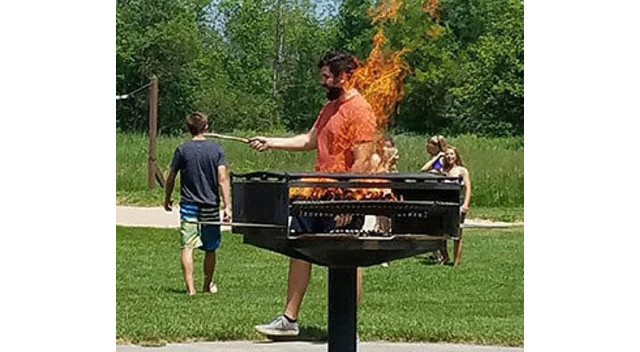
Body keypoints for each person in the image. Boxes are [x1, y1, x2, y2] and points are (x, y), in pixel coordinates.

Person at [249, 50, 376, 337]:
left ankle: (346, 326)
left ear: (344, 76)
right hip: (317, 193)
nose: (323, 82)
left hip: (342, 198)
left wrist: (349, 201)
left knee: (348, 259)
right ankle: (289, 319)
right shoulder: (329, 109)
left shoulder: (361, 110)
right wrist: (270, 142)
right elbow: (309, 140)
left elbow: (362, 161)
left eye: (327, 77)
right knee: (300, 248)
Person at [164, 112, 232, 296]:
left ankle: (190, 289)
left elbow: (171, 177)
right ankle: (207, 285)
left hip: (189, 205)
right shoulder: (217, 150)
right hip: (210, 204)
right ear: (206, 128)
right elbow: (223, 178)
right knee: (211, 247)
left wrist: (167, 198)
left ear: (188, 129)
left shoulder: (182, 150)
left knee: (187, 245)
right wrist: (228, 206)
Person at [438, 146, 471, 266]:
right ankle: (445, 257)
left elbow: (468, 188)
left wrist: (466, 204)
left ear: (456, 156)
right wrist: (437, 157)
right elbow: (424, 170)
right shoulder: (442, 171)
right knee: (441, 232)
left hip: (458, 203)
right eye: (447, 155)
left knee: (457, 233)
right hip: (444, 203)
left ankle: (456, 262)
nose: (449, 157)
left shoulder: (462, 171)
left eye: (451, 154)